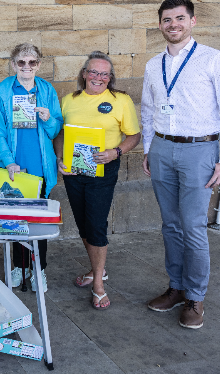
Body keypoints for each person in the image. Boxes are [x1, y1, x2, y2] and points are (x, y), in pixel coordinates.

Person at [142, 0, 220, 329]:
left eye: (179, 18)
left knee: (193, 226)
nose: (173, 24)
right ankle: (176, 287)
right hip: (161, 149)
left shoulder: (212, 59)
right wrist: (148, 149)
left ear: (192, 21)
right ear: (159, 24)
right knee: (170, 225)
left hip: (199, 151)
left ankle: (195, 297)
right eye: (167, 20)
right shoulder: (152, 64)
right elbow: (147, 109)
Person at [53, 51, 140, 310]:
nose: (98, 77)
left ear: (110, 77)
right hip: (75, 171)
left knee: (97, 225)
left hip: (104, 170)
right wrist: (60, 158)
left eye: (104, 73)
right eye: (93, 72)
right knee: (83, 224)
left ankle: (99, 285)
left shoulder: (121, 100)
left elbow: (134, 136)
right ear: (84, 74)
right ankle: (96, 269)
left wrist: (116, 152)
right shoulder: (69, 100)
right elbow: (60, 134)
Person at [0, 43, 63, 292]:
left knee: (38, 223)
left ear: (39, 65)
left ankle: (38, 270)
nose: (27, 67)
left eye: (32, 62)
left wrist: (47, 118)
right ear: (13, 65)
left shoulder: (47, 89)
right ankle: (18, 268)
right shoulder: (3, 90)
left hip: (41, 167)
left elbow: (56, 130)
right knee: (13, 221)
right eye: (21, 62)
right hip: (14, 167)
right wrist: (8, 159)